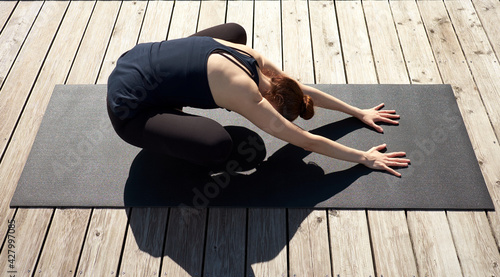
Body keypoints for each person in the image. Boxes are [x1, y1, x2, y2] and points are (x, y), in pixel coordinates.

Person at [107, 23, 410, 177]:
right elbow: (306, 141)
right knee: (222, 146)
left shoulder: (256, 60)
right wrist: (364, 157)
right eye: (278, 113)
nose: (274, 119)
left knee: (234, 32)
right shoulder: (247, 93)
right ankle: (173, 138)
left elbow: (301, 89)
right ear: (273, 97)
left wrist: (357, 112)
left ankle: (172, 97)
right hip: (129, 108)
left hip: (136, 59)